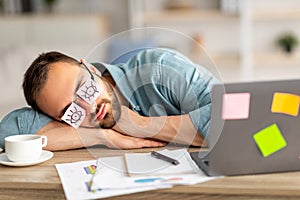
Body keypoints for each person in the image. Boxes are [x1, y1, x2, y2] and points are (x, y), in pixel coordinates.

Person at [0, 48, 219, 151]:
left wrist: (139, 124)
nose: (87, 107)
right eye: (70, 110)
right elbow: (7, 132)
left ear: (91, 68)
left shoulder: (158, 70)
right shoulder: (75, 121)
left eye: (82, 87)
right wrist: (101, 135)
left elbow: (230, 120)